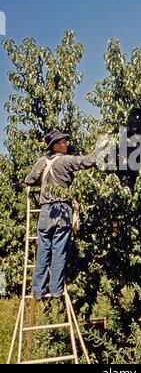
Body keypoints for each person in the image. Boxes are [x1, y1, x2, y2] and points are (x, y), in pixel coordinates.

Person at [25, 128, 111, 299]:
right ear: (55, 146)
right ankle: (56, 290)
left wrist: (43, 184)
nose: (66, 144)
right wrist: (102, 145)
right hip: (62, 210)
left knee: (43, 250)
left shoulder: (42, 162)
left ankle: (37, 291)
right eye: (63, 141)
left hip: (45, 211)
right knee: (59, 251)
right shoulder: (66, 161)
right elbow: (89, 160)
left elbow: (28, 180)